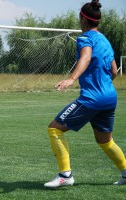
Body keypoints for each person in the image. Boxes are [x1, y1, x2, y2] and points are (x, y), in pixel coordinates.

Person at [44, 0, 126, 188]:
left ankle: (65, 175)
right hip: (110, 97)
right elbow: (114, 71)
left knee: (54, 129)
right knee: (105, 140)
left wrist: (72, 79)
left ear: (82, 18)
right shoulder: (105, 40)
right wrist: (103, 87)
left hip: (92, 98)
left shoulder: (84, 38)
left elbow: (86, 57)